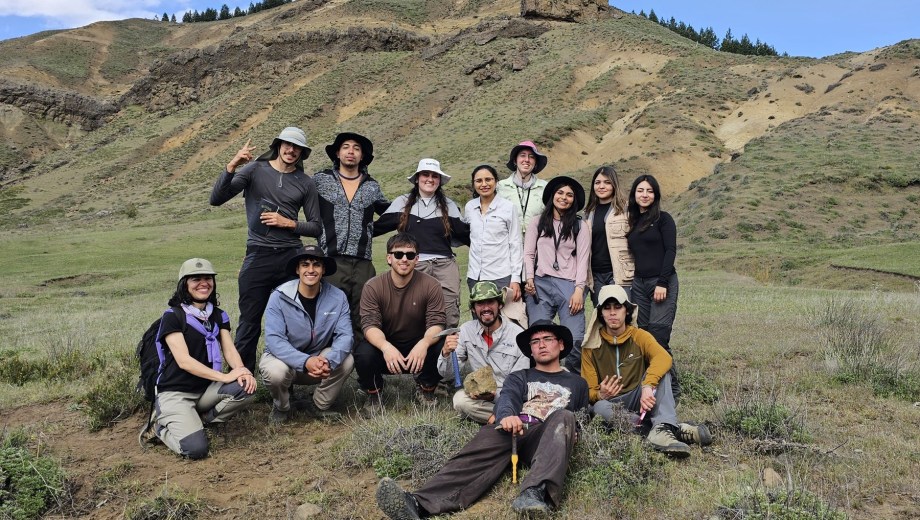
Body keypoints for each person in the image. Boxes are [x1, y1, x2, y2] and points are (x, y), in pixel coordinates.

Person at [375, 320, 589, 518]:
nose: (541, 345)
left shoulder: (577, 383)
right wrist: (506, 416)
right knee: (472, 455)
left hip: (546, 437)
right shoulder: (521, 376)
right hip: (515, 428)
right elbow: (508, 398)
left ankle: (534, 494)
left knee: (564, 416)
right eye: (535, 341)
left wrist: (575, 431)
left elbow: (579, 417)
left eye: (547, 339)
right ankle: (417, 504)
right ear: (530, 350)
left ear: (561, 345)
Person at [209, 127, 321, 371]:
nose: (291, 150)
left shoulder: (305, 183)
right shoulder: (255, 170)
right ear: (278, 145)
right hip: (258, 254)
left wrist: (288, 223)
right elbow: (216, 199)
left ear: (302, 152)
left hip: (291, 257)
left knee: (291, 322)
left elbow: (316, 227)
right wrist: (232, 165)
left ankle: (287, 380)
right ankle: (241, 379)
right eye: (287, 145)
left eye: (297, 147)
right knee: (249, 320)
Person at [144, 258, 257, 459]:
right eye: (196, 279)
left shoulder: (218, 315)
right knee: (196, 450)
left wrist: (241, 371)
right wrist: (224, 377)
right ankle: (160, 428)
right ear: (184, 284)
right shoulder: (173, 316)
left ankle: (202, 419)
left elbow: (229, 350)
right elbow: (184, 361)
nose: (203, 283)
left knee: (245, 387)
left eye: (208, 278)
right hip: (176, 392)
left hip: (205, 389)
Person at [580, 284, 710, 458]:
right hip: (613, 404)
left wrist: (648, 385)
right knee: (599, 407)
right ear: (600, 313)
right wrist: (600, 394)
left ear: (626, 311)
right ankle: (666, 429)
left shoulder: (639, 336)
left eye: (617, 307)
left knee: (662, 372)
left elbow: (664, 357)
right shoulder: (590, 347)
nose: (612, 313)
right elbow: (589, 390)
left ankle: (662, 428)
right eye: (607, 308)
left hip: (641, 398)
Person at [260, 245, 354, 424]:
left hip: (319, 363)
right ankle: (282, 407)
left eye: (316, 265)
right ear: (297, 269)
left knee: (347, 360)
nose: (311, 270)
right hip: (285, 360)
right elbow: (274, 340)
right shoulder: (278, 297)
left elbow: (345, 336)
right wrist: (305, 362)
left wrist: (329, 360)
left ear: (323, 269)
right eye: (305, 265)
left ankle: (319, 405)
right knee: (275, 372)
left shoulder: (338, 297)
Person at [313, 132, 390, 343]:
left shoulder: (371, 186)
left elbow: (391, 215)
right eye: (346, 147)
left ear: (362, 156)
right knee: (329, 314)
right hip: (331, 260)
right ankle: (329, 366)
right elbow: (296, 197)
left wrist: (370, 230)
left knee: (364, 316)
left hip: (363, 263)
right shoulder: (321, 180)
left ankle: (365, 368)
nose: (351, 152)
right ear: (337, 153)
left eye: (356, 148)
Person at [375, 158, 470, 328]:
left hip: (444, 265)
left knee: (448, 311)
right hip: (412, 264)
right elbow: (376, 228)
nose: (430, 179)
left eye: (435, 176)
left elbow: (467, 235)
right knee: (411, 312)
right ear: (417, 178)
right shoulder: (402, 202)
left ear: (439, 181)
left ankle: (447, 352)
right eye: (425, 174)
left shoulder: (449, 205)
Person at [355, 232, 446, 408]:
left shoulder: (431, 285)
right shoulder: (373, 286)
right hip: (386, 347)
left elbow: (437, 323)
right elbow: (369, 325)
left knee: (441, 346)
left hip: (418, 347)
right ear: (389, 258)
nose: (404, 259)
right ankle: (374, 393)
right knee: (363, 351)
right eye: (398, 254)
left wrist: (424, 344)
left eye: (410, 255)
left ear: (417, 259)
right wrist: (385, 347)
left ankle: (426, 388)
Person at [523, 175, 590, 373]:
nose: (564, 197)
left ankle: (573, 380)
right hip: (540, 284)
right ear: (552, 196)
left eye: (569, 195)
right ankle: (540, 379)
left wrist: (579, 290)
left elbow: (583, 259)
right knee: (538, 336)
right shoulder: (537, 222)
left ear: (574, 200)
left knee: (575, 338)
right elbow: (528, 253)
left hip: (569, 285)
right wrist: (529, 278)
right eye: (560, 193)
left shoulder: (580, 226)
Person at [438, 281, 529, 424]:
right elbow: (447, 374)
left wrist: (494, 397)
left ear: (500, 305)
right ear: (473, 309)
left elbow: (520, 383)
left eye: (490, 302)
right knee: (459, 400)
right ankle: (501, 420)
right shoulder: (466, 330)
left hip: (510, 395)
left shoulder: (517, 334)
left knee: (526, 402)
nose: (486, 308)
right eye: (480, 303)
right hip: (479, 395)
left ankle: (496, 417)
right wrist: (446, 353)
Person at [626, 174, 681, 399]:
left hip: (661, 282)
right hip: (638, 284)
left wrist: (662, 282)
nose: (645, 195)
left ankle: (673, 387)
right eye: (640, 190)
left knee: (659, 336)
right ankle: (653, 384)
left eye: (649, 191)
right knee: (646, 337)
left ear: (655, 195)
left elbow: (670, 251)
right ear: (634, 194)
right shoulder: (632, 220)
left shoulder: (664, 219)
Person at [464, 164, 523, 302]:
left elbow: (515, 243)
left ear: (496, 181)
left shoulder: (508, 208)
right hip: (475, 276)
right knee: (480, 319)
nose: (484, 184)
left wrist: (515, 278)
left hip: (501, 276)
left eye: (488, 179)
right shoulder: (470, 207)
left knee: (504, 319)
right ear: (473, 184)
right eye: (479, 181)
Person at [584, 165, 634, 306]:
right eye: (597, 182)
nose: (601, 186)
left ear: (614, 184)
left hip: (619, 273)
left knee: (622, 315)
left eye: (607, 182)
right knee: (602, 316)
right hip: (596, 275)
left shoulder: (626, 209)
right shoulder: (588, 213)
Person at [496, 140, 549, 236]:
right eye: (522, 155)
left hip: (537, 246)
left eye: (531, 157)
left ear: (535, 163)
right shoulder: (500, 187)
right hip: (507, 246)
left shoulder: (546, 188)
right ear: (515, 161)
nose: (527, 160)